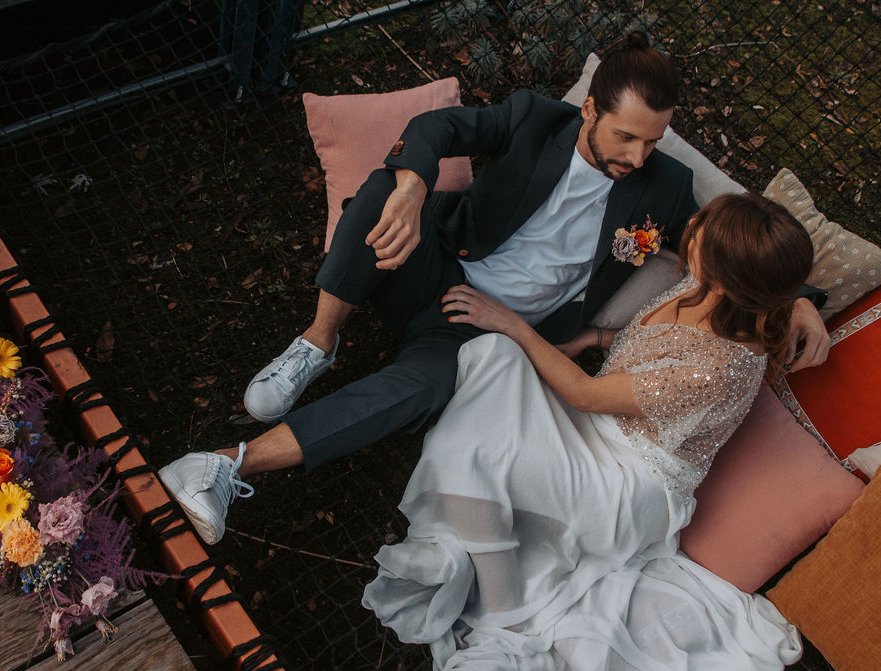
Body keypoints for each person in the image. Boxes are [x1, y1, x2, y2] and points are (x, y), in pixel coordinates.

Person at [158, 33, 830, 545]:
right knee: (382, 189)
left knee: (417, 390)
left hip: (483, 332)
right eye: (626, 135)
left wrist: (795, 297)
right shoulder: (536, 119)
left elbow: (741, 255)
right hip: (430, 265)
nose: (637, 156)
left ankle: (222, 463)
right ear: (590, 108)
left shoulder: (667, 191)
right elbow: (437, 130)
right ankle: (318, 339)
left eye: (652, 142)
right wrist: (416, 180)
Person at [362, 192, 813, 671]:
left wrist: (509, 320)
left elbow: (584, 393)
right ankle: (481, 536)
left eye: (703, 231)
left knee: (479, 428)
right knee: (493, 359)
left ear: (730, 281)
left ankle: (504, 617)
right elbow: (653, 350)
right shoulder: (711, 287)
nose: (694, 227)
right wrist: (593, 339)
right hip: (595, 431)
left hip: (628, 482)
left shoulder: (720, 367)